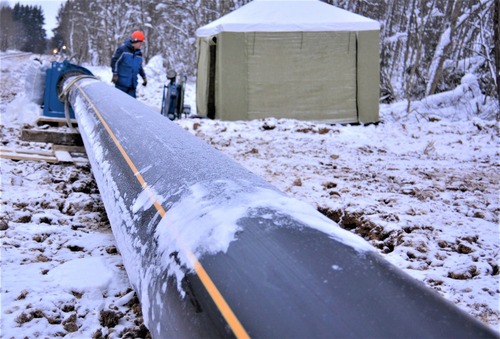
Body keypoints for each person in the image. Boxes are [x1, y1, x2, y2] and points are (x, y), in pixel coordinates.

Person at [110, 30, 147, 98]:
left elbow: (139, 67)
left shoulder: (139, 54)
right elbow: (115, 61)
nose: (141, 45)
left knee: (131, 107)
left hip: (132, 86)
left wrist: (144, 77)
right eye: (140, 43)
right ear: (135, 41)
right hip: (121, 85)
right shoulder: (123, 50)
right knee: (119, 105)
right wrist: (115, 74)